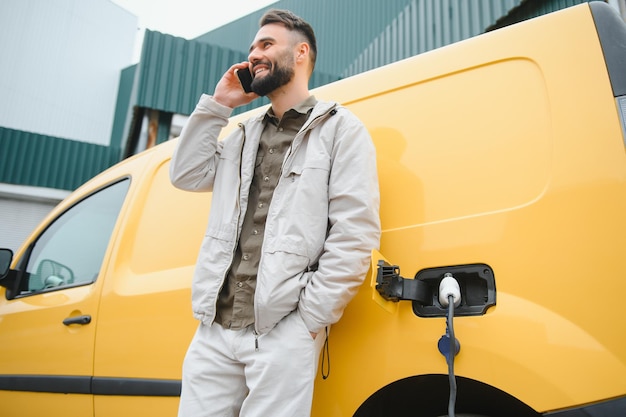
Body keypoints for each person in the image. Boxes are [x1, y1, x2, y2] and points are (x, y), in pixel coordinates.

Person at [170, 9, 380, 417]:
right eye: (251, 48)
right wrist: (219, 104)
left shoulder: (341, 130)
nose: (254, 56)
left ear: (300, 53)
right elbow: (186, 174)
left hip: (282, 330)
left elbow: (355, 233)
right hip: (214, 329)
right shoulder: (242, 135)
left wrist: (309, 319)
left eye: (266, 45)